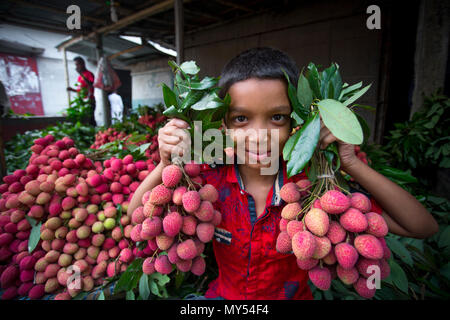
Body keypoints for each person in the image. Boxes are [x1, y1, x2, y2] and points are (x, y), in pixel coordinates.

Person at [128, 47, 439, 300]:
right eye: (241, 119)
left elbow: (421, 226)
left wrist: (350, 162)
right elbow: (136, 216)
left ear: (295, 125)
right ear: (222, 126)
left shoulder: (312, 188)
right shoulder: (210, 180)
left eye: (277, 117)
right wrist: (164, 164)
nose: (259, 134)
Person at [67, 56, 96, 126]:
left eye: (77, 64)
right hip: (82, 101)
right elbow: (81, 90)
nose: (76, 67)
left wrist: (81, 74)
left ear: (83, 64)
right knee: (84, 120)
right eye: (75, 65)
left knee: (90, 119)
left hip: (89, 100)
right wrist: (72, 90)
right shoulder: (80, 77)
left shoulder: (89, 74)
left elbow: (91, 85)